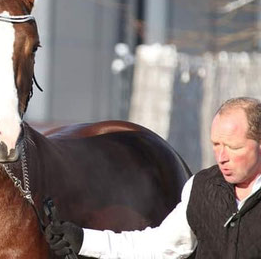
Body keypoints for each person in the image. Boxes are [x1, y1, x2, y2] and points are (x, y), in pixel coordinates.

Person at [45, 96, 261, 259]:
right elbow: (158, 246)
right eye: (216, 145)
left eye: (234, 147)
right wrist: (83, 239)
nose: (221, 157)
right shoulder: (201, 187)